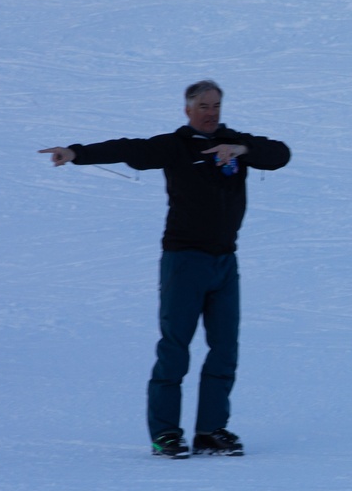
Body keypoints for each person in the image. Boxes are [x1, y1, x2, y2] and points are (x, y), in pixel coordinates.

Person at [39, 80, 291, 459]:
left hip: (225, 261)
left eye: (217, 106)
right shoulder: (174, 146)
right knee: (175, 349)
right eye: (204, 106)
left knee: (224, 349)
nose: (211, 113)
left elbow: (280, 154)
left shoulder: (234, 141)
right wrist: (75, 152)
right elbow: (128, 148)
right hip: (184, 261)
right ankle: (166, 434)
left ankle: (211, 431)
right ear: (187, 109)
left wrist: (241, 149)